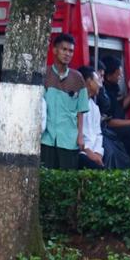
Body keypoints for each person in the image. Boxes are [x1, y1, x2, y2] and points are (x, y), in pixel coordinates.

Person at [40, 33, 88, 170]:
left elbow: (81, 111)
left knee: (67, 182)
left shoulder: (78, 78)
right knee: (48, 180)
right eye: (64, 49)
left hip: (69, 140)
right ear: (55, 50)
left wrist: (80, 137)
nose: (67, 54)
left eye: (70, 51)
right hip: (46, 139)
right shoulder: (44, 74)